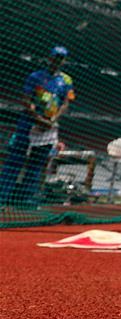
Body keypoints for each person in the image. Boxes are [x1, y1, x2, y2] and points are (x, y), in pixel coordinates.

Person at [0, 46, 75, 207]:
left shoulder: (66, 80)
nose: (58, 61)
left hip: (50, 126)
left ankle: (24, 199)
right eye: (55, 57)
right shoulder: (35, 77)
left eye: (61, 58)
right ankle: (3, 197)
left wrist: (52, 119)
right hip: (29, 124)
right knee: (15, 161)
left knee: (37, 164)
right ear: (50, 58)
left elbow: (66, 103)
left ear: (64, 61)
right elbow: (26, 99)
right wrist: (38, 118)